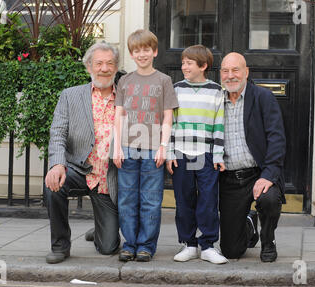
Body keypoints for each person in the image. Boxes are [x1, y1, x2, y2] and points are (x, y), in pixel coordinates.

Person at [44, 42, 121, 264]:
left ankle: (100, 230)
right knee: (53, 185)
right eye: (98, 63)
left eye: (109, 63)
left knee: (108, 248)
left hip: (110, 177)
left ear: (116, 68)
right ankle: (60, 246)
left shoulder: (125, 98)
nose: (104, 68)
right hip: (79, 169)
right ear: (89, 67)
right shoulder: (70, 95)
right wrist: (57, 165)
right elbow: (57, 133)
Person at [113, 29, 179, 262]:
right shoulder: (124, 80)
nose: (142, 54)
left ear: (155, 51)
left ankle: (146, 246)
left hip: (153, 149)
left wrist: (163, 146)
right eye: (137, 50)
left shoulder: (164, 80)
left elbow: (168, 117)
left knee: (151, 200)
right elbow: (118, 114)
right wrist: (116, 147)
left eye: (146, 50)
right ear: (131, 54)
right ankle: (129, 243)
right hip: (127, 148)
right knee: (127, 199)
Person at [218, 52, 286, 263]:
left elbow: (277, 138)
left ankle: (268, 240)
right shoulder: (216, 100)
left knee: (269, 198)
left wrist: (268, 176)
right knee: (231, 251)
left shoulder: (263, 97)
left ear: (246, 72)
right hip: (229, 178)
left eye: (235, 70)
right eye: (225, 71)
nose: (230, 76)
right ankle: (249, 222)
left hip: (258, 173)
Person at [166, 45, 227, 264]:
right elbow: (170, 124)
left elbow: (219, 125)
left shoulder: (216, 91)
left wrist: (218, 155)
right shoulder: (176, 89)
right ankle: (189, 244)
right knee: (184, 200)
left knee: (208, 200)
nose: (184, 67)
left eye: (189, 63)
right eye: (183, 63)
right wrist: (169, 152)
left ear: (203, 66)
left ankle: (208, 245)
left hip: (206, 154)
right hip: (182, 153)